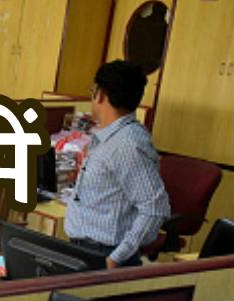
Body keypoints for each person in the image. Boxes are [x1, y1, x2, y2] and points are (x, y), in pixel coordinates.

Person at [64, 60, 170, 269]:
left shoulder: (128, 144)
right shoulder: (109, 137)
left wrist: (115, 259)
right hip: (84, 248)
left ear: (100, 95)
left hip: (104, 254)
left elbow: (155, 209)